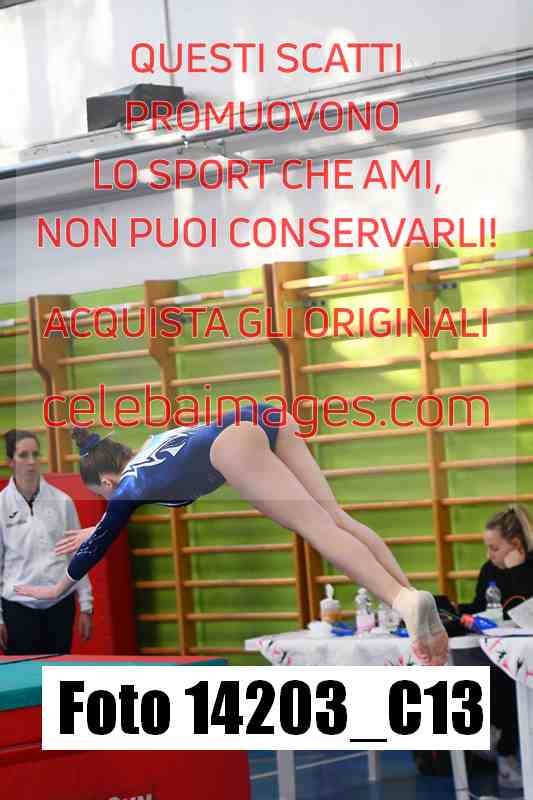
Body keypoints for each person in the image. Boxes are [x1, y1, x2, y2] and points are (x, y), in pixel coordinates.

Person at [14, 403, 448, 665]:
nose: (110, 503)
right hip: (263, 417)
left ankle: (402, 601)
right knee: (335, 518)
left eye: (103, 497)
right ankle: (409, 600)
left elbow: (100, 543)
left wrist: (56, 587)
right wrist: (101, 522)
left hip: (232, 444)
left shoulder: (127, 487)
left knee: (316, 529)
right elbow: (137, 499)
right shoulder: (151, 443)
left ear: (108, 483)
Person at [0, 430, 93, 655]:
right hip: (18, 607)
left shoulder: (62, 501)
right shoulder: (1, 506)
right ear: (11, 461)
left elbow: (78, 554)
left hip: (59, 605)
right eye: (23, 455)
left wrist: (86, 604)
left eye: (35, 454)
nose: (31, 461)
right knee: (24, 675)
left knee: (56, 672)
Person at [459, 505, 533, 789]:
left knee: (507, 676)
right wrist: (457, 613)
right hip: (501, 653)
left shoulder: (528, 566)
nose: (489, 555)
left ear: (516, 545)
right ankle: (497, 743)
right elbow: (479, 607)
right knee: (484, 671)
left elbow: (527, 614)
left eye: (494, 548)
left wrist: (517, 569)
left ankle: (505, 748)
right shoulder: (489, 569)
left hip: (526, 654)